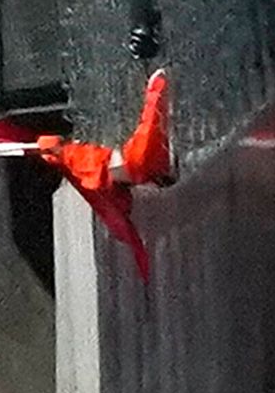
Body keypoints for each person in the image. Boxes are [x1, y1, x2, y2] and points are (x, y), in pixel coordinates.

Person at [34, 68, 174, 280]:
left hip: (130, 170)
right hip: (128, 165)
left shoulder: (81, 169)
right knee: (146, 133)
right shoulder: (81, 162)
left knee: (146, 135)